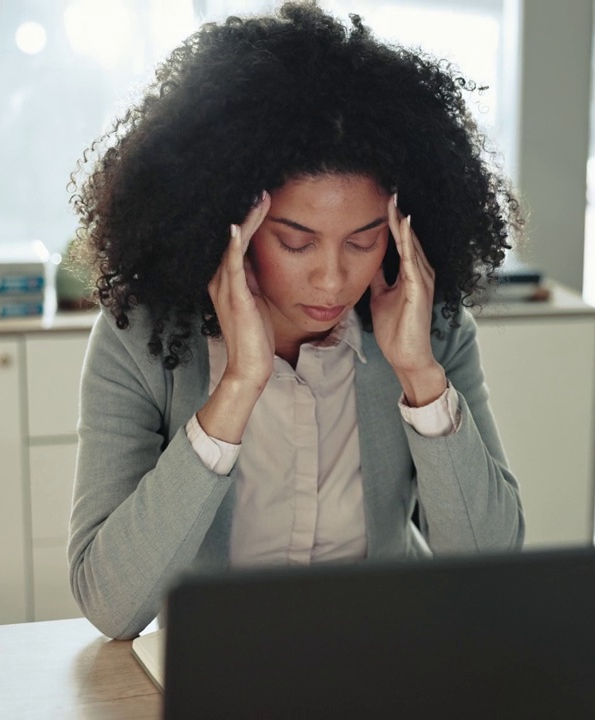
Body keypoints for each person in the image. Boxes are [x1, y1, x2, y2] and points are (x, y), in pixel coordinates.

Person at [67, 1, 525, 640]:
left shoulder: (433, 333)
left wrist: (420, 377)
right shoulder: (142, 341)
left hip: (385, 658)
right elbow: (111, 607)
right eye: (296, 241)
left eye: (362, 242)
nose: (333, 279)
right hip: (218, 669)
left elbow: (489, 571)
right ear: (233, 224)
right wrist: (236, 388)